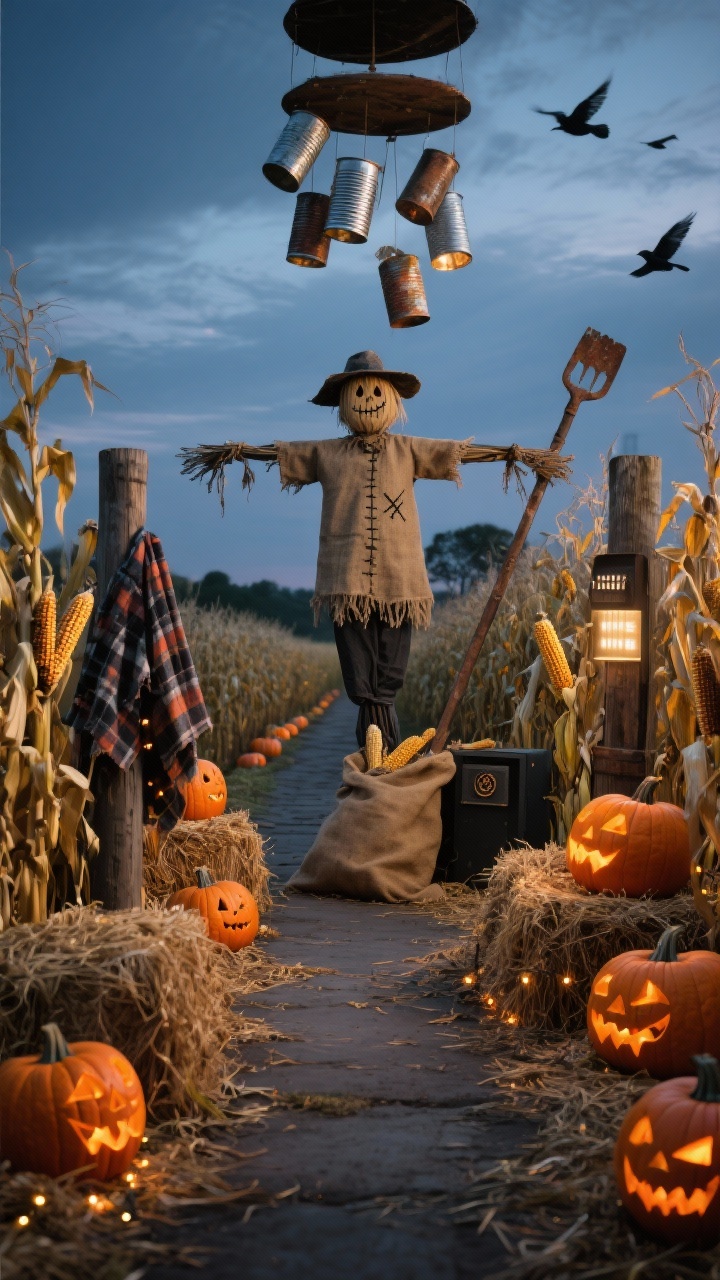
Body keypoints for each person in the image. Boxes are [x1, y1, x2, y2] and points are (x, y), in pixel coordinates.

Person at [180, 350, 569, 751]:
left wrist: (514, 454)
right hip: (345, 581)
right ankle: (382, 746)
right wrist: (238, 452)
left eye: (375, 390)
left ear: (392, 399)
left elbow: (457, 451)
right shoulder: (327, 453)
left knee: (390, 667)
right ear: (345, 403)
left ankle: (379, 744)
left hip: (400, 583)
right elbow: (281, 452)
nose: (368, 398)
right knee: (358, 666)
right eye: (359, 391)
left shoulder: (409, 449)